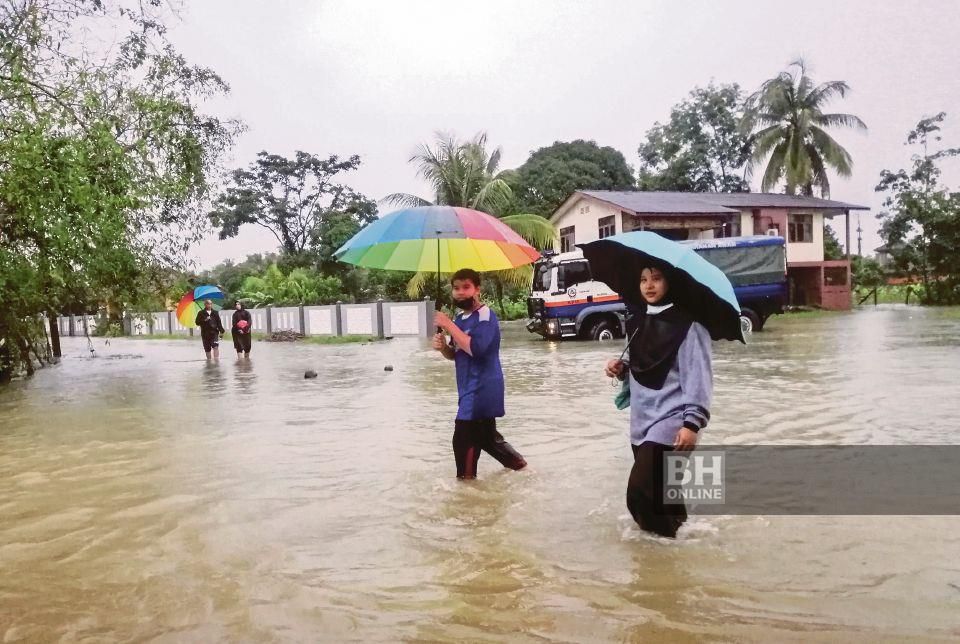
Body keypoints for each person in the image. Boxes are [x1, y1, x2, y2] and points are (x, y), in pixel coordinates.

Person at [604, 264, 712, 538]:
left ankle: (661, 557)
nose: (648, 285)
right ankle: (681, 554)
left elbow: (698, 376)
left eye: (656, 278)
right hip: (641, 421)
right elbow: (645, 365)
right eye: (642, 279)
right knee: (666, 498)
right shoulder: (638, 322)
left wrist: (692, 424)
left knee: (640, 494)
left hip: (672, 422)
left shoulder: (689, 325)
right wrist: (621, 367)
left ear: (670, 281)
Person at [432, 268, 527, 480]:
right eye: (456, 288)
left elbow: (477, 349)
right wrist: (443, 348)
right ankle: (522, 469)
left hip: (481, 389)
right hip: (468, 389)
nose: (460, 292)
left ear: (477, 289)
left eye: (466, 287)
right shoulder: (459, 318)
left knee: (463, 440)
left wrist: (447, 325)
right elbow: (458, 355)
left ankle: (466, 492)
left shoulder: (486, 316)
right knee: (487, 438)